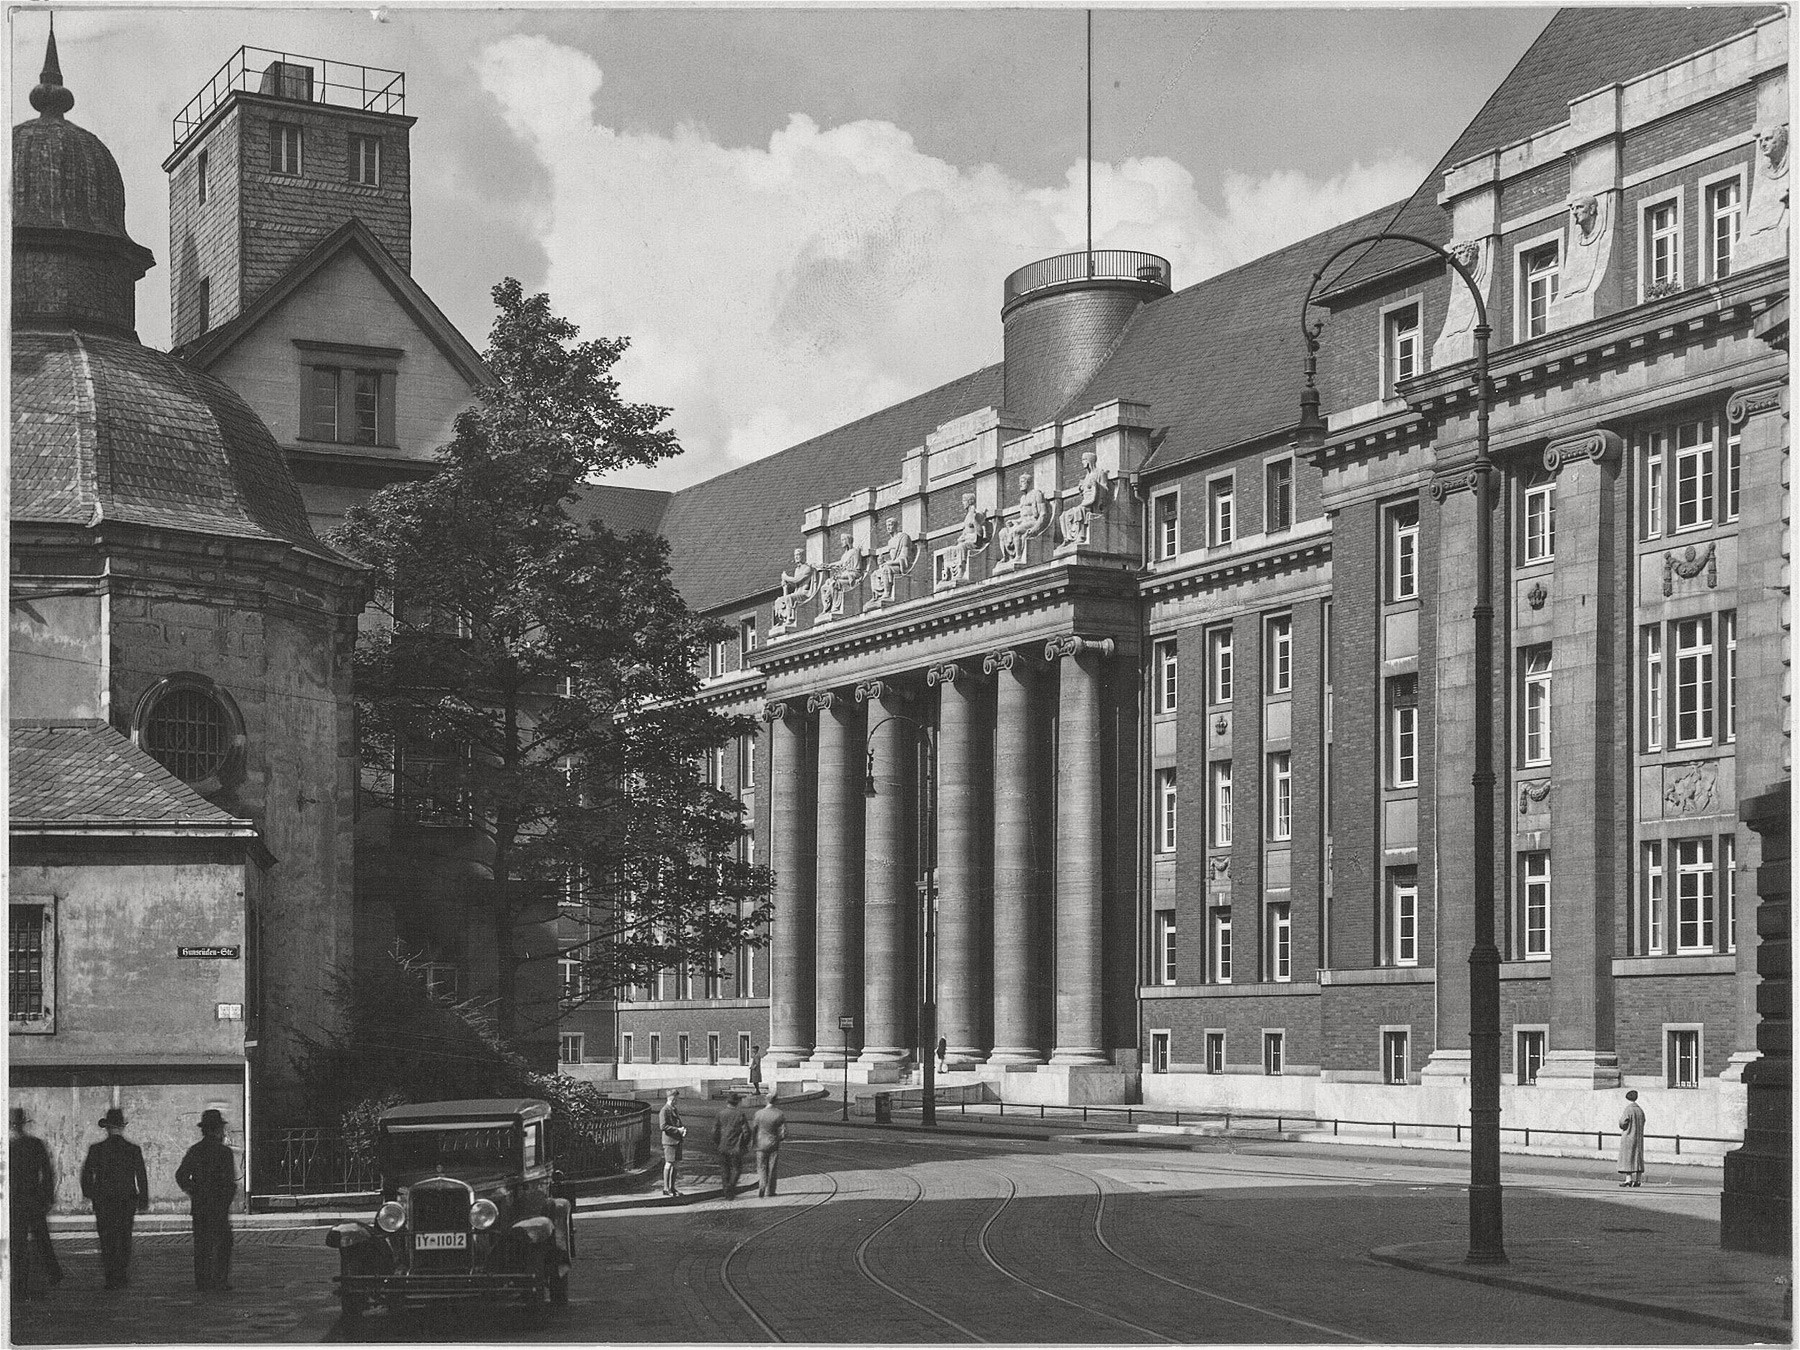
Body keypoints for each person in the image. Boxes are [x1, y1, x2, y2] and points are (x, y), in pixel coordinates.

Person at [81, 1106, 149, 1289]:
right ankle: (122, 1273)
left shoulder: (96, 1149)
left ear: (107, 1128)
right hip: (127, 1200)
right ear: (122, 1126)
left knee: (107, 1239)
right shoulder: (133, 1149)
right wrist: (143, 1199)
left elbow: (86, 1175)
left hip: (103, 1201)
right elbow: (141, 1176)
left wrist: (91, 1193)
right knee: (124, 1237)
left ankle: (111, 1276)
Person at [175, 1109, 238, 1291]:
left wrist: (194, 1191)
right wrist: (225, 1200)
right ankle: (220, 1280)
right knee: (223, 1243)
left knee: (202, 1244)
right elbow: (230, 1182)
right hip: (218, 1206)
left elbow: (181, 1176)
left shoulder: (195, 1150)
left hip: (201, 1205)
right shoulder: (224, 1152)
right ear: (218, 1129)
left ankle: (203, 1281)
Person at [10, 1107, 62, 1301]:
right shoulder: (35, 1144)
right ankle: (52, 1273)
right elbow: (47, 1173)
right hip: (33, 1197)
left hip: (16, 1200)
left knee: (19, 1243)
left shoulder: (10, 1146)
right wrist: (47, 1197)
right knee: (41, 1238)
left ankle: (20, 1282)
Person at [712, 1093, 752, 1200]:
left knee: (725, 1169)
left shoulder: (720, 1114)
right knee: (737, 1169)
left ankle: (727, 1191)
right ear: (737, 1103)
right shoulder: (740, 1115)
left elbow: (714, 1132)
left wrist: (718, 1143)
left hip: (723, 1146)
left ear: (727, 1102)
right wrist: (744, 1143)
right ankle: (731, 1186)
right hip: (736, 1147)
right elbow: (747, 1132)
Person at [751, 1094, 787, 1198]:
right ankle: (770, 1191)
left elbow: (754, 1129)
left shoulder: (758, 1113)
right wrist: (779, 1138)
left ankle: (762, 1185)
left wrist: (753, 1142)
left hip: (760, 1144)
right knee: (772, 1167)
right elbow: (784, 1132)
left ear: (766, 1101)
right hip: (773, 1143)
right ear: (776, 1101)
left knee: (761, 1166)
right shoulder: (779, 1114)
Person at [658, 1091, 687, 1197]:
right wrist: (677, 1130)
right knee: (669, 1163)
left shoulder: (674, 1109)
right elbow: (663, 1126)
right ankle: (666, 1188)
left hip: (677, 1140)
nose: (677, 1101)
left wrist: (682, 1130)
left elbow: (678, 1123)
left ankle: (672, 1187)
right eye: (676, 1099)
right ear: (672, 1099)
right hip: (669, 1141)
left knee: (676, 1164)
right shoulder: (664, 1110)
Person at [1617, 1089, 1647, 1188]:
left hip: (1629, 1136)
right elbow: (1643, 1121)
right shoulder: (1640, 1110)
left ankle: (1628, 1179)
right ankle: (1638, 1180)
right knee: (1638, 1158)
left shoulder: (1628, 1109)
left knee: (1628, 1158)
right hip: (1638, 1137)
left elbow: (1623, 1123)